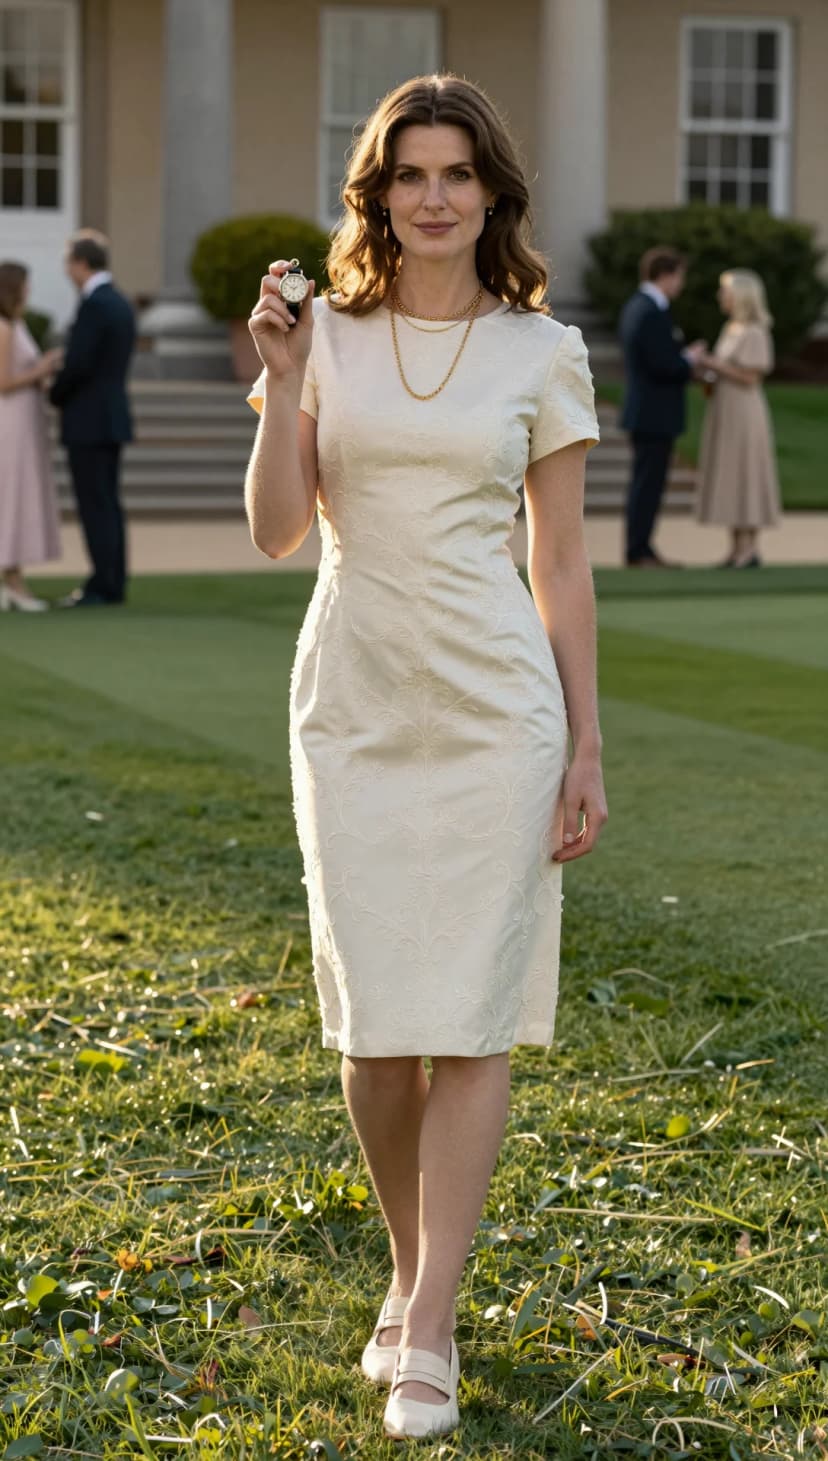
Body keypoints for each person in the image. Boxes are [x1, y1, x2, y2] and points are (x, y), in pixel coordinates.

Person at [245, 74, 608, 1440]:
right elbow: (278, 530)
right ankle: (408, 1270)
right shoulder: (323, 336)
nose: (436, 196)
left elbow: (560, 561)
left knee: (466, 1018)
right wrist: (285, 386)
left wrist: (585, 742)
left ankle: (432, 1322)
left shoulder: (542, 351)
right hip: (354, 706)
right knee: (375, 1030)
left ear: (493, 192)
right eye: (411, 174)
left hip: (496, 714)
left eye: (459, 173)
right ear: (380, 194)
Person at [49, 229, 135, 607]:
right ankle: (112, 580)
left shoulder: (95, 304)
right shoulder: (119, 301)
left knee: (95, 505)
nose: (67, 270)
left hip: (89, 420)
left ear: (81, 263)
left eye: (69, 263)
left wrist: (54, 393)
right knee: (108, 504)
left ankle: (102, 585)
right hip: (111, 416)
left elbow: (79, 364)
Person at [619, 247, 706, 566]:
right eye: (679, 276)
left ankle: (642, 548)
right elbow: (662, 365)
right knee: (647, 486)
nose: (681, 283)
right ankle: (639, 550)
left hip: (648, 413)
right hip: (652, 414)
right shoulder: (649, 311)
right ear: (666, 275)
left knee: (647, 484)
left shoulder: (641, 306)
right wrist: (689, 360)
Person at [695, 270, 780, 567]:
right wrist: (708, 371)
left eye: (726, 292)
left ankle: (749, 548)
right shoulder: (731, 328)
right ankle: (736, 547)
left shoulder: (755, 331)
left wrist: (711, 363)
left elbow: (750, 376)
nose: (721, 297)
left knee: (747, 472)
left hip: (744, 411)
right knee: (731, 473)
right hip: (725, 408)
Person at [0, 261, 63, 611]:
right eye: (25, 285)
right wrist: (41, 369)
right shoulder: (4, 328)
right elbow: (4, 383)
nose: (29, 290)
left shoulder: (16, 324)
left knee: (15, 497)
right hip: (11, 423)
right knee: (11, 497)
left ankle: (12, 578)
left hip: (24, 420)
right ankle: (14, 583)